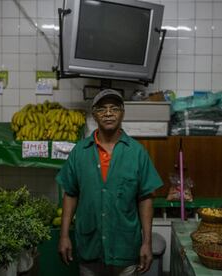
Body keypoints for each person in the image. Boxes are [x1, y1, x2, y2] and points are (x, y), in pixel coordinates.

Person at [56, 89, 163, 276]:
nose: (108, 113)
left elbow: (145, 198)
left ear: (122, 113)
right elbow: (70, 194)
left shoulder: (137, 153)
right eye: (102, 109)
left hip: (126, 247)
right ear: (94, 115)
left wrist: (147, 243)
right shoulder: (79, 152)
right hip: (90, 247)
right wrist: (64, 236)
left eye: (114, 108)